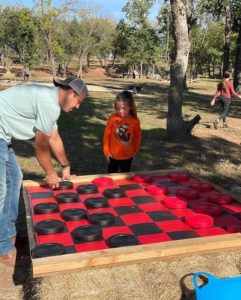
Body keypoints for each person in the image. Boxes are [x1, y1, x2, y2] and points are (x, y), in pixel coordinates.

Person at [0, 77, 88, 265]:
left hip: (3, 136)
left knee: (15, 179)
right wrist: (50, 173)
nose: (78, 107)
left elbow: (53, 137)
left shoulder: (50, 100)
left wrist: (65, 166)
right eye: (79, 102)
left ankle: (8, 233)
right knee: (2, 191)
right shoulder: (50, 104)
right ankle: (2, 246)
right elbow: (40, 147)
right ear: (71, 93)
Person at [103, 91, 141, 173]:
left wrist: (135, 151)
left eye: (123, 108)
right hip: (113, 156)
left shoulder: (135, 121)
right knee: (112, 179)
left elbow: (137, 137)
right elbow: (107, 135)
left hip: (128, 157)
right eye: (117, 108)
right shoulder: (112, 118)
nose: (120, 111)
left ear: (130, 106)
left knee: (125, 179)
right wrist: (106, 152)